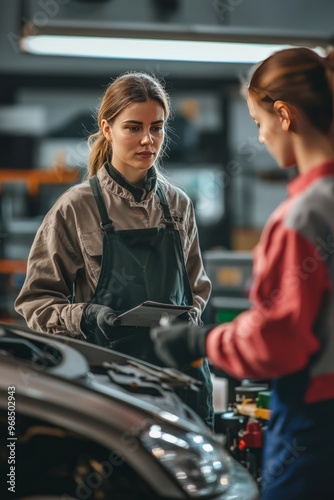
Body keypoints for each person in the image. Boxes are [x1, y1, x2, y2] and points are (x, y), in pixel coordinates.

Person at [152, 47, 334, 499]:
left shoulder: (304, 216)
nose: (263, 138)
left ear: (284, 115)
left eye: (259, 124)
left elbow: (279, 340)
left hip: (314, 420)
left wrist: (200, 341)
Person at [14, 71, 214, 429]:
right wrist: (87, 316)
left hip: (178, 380)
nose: (148, 140)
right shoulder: (76, 207)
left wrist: (185, 326)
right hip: (110, 385)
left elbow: (197, 289)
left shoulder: (178, 205)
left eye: (157, 127)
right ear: (107, 129)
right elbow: (36, 303)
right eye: (133, 127)